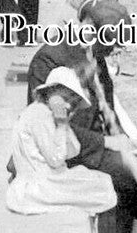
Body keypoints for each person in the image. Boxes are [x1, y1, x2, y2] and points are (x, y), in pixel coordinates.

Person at [24, 0, 137, 233]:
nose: (116, 50)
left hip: (91, 146)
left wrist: (127, 139)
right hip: (64, 153)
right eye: (112, 42)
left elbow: (107, 108)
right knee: (131, 178)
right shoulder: (50, 60)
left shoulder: (93, 54)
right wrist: (107, 142)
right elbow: (47, 127)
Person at [7, 66, 117, 219]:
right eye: (66, 98)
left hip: (46, 180)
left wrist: (65, 124)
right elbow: (56, 159)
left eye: (74, 103)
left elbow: (73, 151)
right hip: (37, 187)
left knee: (102, 182)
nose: (68, 105)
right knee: (102, 188)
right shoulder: (39, 114)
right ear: (51, 92)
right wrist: (61, 126)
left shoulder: (48, 113)